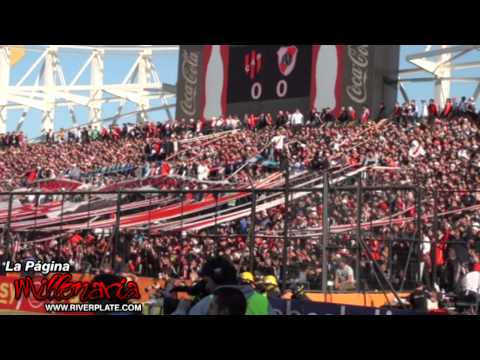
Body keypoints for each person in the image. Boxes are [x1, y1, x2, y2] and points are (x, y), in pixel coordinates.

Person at [172, 256, 273, 315]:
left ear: (216, 279)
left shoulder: (209, 304)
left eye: (207, 281)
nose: (206, 287)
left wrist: (180, 310)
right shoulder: (262, 301)